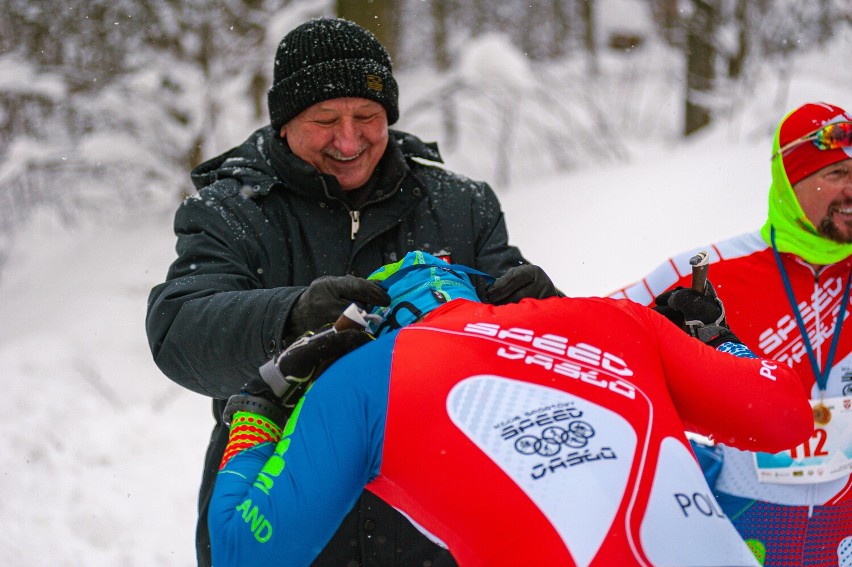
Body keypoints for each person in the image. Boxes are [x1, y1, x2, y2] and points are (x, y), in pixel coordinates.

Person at [144, 17, 557, 567]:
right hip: (278, 501)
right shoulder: (230, 209)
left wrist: (543, 310)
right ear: (285, 123)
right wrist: (290, 316)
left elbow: (537, 363)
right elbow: (180, 333)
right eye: (324, 120)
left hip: (433, 507)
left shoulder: (461, 204)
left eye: (367, 116)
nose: (348, 139)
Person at [208, 250, 813, 567]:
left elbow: (243, 552)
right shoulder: (607, 319)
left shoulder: (363, 378)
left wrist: (259, 409)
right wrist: (713, 335)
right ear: (474, 287)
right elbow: (786, 418)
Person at [611, 101, 852, 566]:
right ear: (790, 181)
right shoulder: (706, 271)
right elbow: (596, 331)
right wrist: (540, 298)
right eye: (838, 173)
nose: (851, 189)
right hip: (742, 518)